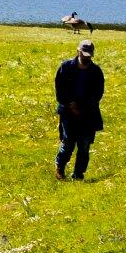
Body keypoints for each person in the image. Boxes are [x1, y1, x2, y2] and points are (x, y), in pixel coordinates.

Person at [55, 40, 105, 180]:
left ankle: (78, 174)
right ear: (78, 51)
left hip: (88, 114)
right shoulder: (65, 68)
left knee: (84, 145)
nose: (86, 58)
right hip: (68, 112)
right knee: (68, 142)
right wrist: (71, 105)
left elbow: (98, 93)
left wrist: (84, 108)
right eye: (84, 54)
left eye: (89, 55)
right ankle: (60, 168)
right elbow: (60, 90)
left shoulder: (96, 72)